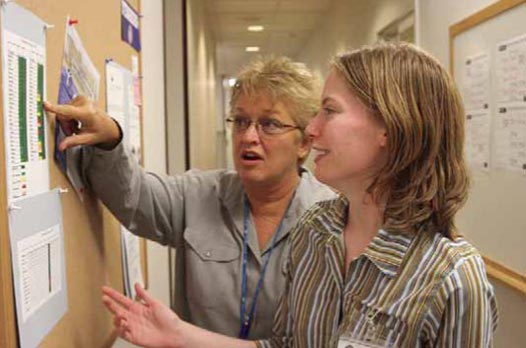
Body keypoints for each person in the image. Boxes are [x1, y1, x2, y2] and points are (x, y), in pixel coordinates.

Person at [99, 43, 498, 348]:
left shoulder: (454, 279)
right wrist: (180, 334)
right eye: (240, 121)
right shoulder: (318, 229)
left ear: (390, 129)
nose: (312, 130)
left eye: (329, 111)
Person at [43, 57, 335, 340]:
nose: (248, 137)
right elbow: (135, 197)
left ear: (305, 143)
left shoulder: (333, 223)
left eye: (269, 124)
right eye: (241, 121)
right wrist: (109, 139)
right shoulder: (199, 195)